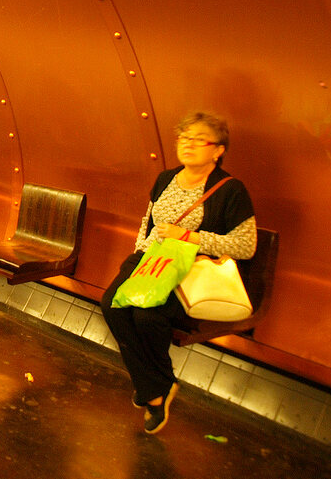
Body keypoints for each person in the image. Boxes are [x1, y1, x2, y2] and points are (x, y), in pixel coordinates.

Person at [100, 111, 256, 435]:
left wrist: (191, 236)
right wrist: (137, 257)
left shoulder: (230, 190)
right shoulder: (165, 178)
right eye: (184, 138)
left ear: (218, 150)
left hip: (189, 272)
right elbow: (148, 223)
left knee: (146, 317)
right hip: (151, 261)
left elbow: (246, 246)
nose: (189, 144)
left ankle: (153, 394)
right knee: (112, 305)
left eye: (200, 139)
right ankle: (157, 383)